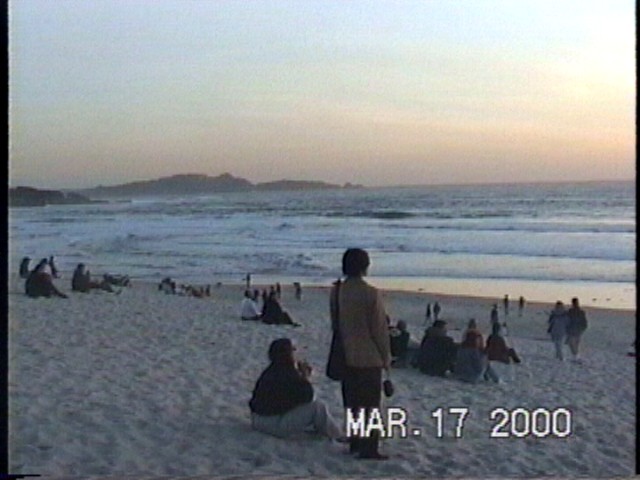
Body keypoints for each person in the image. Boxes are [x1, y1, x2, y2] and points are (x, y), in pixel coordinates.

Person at [330, 248, 391, 460]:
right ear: (365, 266)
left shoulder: (337, 291)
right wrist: (386, 358)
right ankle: (369, 448)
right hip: (369, 356)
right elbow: (379, 330)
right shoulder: (371, 293)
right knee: (370, 406)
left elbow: (335, 324)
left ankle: (355, 443)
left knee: (352, 403)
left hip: (346, 354)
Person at [249, 338, 344, 440]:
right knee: (318, 408)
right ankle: (338, 435)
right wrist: (304, 377)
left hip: (257, 420)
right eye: (293, 350)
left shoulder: (272, 369)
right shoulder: (288, 372)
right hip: (273, 424)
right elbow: (309, 397)